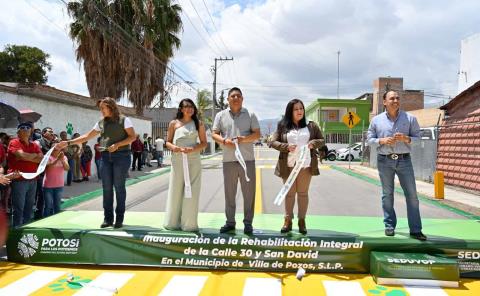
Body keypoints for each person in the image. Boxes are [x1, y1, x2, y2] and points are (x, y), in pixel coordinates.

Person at [58, 97, 136, 228]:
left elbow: (132, 137)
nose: (101, 111)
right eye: (100, 108)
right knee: (106, 188)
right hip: (106, 157)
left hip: (122, 157)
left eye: (103, 108)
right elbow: (87, 136)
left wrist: (118, 145)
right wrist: (68, 142)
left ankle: (119, 219)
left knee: (119, 187)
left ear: (111, 107)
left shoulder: (124, 120)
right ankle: (108, 219)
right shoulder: (101, 122)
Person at [367, 90, 426, 241]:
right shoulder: (376, 120)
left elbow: (419, 139)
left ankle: (416, 230)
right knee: (387, 195)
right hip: (384, 160)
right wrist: (382, 141)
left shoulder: (410, 118)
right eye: (392, 98)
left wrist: (407, 138)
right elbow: (369, 139)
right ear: (384, 102)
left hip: (404, 160)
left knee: (412, 196)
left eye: (397, 98)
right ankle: (389, 226)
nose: (395, 100)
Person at [270, 99, 324, 234]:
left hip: (305, 166)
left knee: (303, 194)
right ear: (290, 111)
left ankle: (302, 221)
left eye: (301, 108)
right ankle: (287, 220)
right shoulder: (282, 126)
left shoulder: (311, 126)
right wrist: (286, 146)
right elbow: (271, 141)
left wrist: (313, 143)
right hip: (288, 166)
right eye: (296, 109)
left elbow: (322, 140)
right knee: (289, 194)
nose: (300, 111)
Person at [212, 87, 261, 234]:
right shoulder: (220, 115)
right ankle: (230, 222)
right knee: (229, 193)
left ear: (242, 98)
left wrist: (244, 139)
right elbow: (214, 134)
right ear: (228, 99)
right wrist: (224, 141)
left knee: (249, 194)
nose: (235, 98)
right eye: (232, 96)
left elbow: (257, 134)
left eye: (238, 96)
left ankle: (248, 223)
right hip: (228, 160)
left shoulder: (250, 114)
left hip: (247, 161)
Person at [164, 99, 207, 231]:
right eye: (186, 107)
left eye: (191, 106)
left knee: (192, 191)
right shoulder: (173, 123)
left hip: (193, 159)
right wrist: (175, 148)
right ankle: (172, 223)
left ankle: (189, 224)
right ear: (181, 109)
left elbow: (204, 143)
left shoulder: (198, 123)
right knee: (176, 189)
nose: (189, 109)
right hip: (177, 159)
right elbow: (168, 142)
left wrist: (193, 149)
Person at [7, 122, 43, 227]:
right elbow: (22, 156)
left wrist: (26, 157)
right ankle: (17, 230)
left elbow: (41, 158)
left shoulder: (34, 144)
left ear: (31, 130)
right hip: (19, 179)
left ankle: (26, 228)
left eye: (28, 127)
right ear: (18, 132)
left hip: (33, 179)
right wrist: (34, 157)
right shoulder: (14, 142)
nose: (26, 129)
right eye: (22, 127)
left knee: (29, 206)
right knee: (19, 207)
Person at [43, 145, 69, 217]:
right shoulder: (47, 157)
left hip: (59, 185)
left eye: (58, 149)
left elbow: (67, 168)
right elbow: (48, 167)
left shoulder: (64, 157)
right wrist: (57, 159)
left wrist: (62, 160)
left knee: (57, 206)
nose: (57, 151)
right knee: (48, 206)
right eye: (54, 149)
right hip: (48, 185)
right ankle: (46, 222)